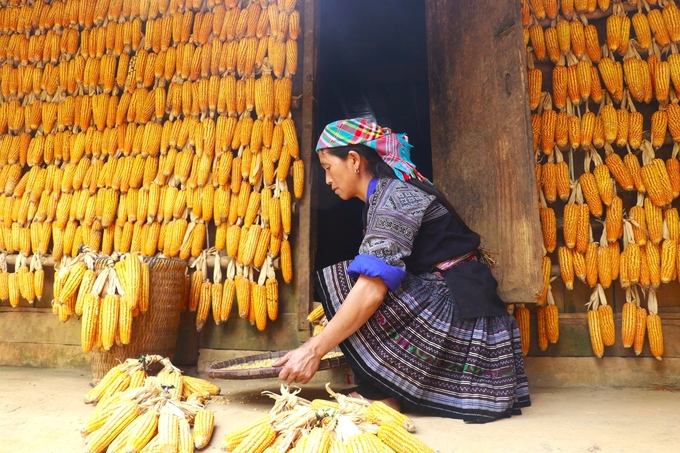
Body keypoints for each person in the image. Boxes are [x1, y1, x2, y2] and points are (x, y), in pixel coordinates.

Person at [273, 118, 530, 423]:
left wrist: (314, 349)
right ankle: (388, 388)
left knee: (353, 282)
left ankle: (378, 393)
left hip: (466, 314)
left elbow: (371, 289)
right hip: (458, 303)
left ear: (354, 160)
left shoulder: (396, 197)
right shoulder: (386, 194)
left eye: (328, 168)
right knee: (364, 276)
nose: (327, 180)